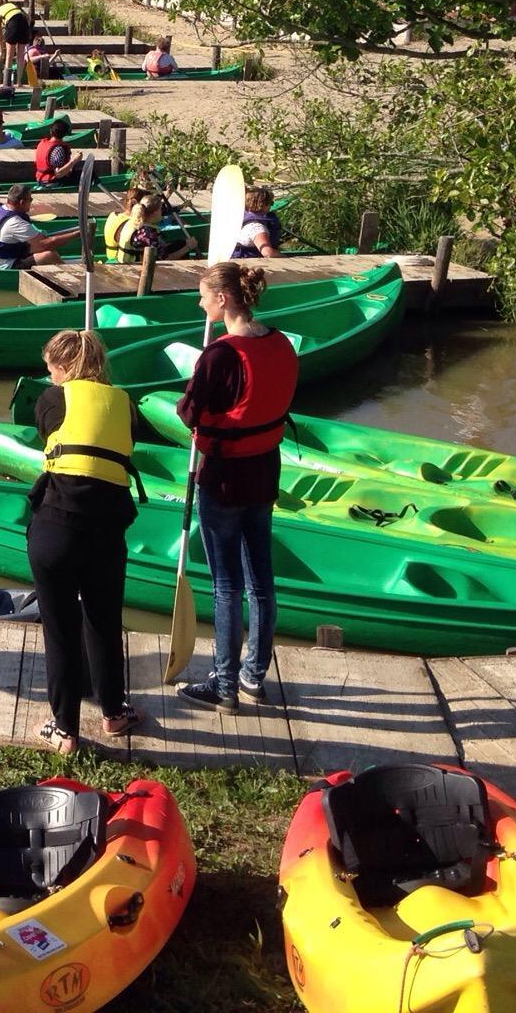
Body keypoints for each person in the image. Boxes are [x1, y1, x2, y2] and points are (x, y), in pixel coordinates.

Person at [174, 262, 299, 710]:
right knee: (261, 580)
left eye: (203, 295)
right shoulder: (282, 342)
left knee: (227, 585)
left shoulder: (220, 355)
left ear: (223, 299)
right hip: (265, 470)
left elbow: (188, 412)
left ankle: (224, 686)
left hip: (225, 479)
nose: (199, 302)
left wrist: (188, 402)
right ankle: (253, 677)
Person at [28, 330, 145, 754]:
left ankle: (64, 731)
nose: (49, 374)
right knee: (103, 623)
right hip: (106, 530)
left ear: (65, 367)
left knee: (60, 631)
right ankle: (114, 713)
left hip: (55, 529)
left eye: (52, 367)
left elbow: (49, 433)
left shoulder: (51, 400)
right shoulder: (125, 402)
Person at [0, 183, 68, 272]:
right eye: (30, 199)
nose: (31, 202)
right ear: (22, 202)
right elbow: (46, 244)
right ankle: (70, 277)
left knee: (29, 248)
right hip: (2, 267)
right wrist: (77, 234)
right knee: (49, 255)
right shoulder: (15, 222)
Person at [103, 189, 192, 262]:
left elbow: (157, 208)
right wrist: (189, 247)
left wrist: (179, 205)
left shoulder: (121, 217)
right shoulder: (144, 231)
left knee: (178, 244)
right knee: (181, 247)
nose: (162, 213)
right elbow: (164, 259)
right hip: (126, 263)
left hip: (124, 257)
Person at [231, 185, 284, 259]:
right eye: (271, 203)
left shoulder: (239, 217)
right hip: (250, 263)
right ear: (263, 204)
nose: (271, 206)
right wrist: (286, 257)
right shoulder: (257, 228)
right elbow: (268, 253)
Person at [0, 0, 35, 88]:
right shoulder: (13, 6)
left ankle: (6, 83)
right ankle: (19, 82)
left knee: (9, 55)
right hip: (24, 24)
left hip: (13, 24)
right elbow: (28, 17)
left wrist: (1, 51)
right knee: (20, 56)